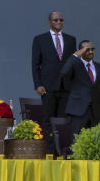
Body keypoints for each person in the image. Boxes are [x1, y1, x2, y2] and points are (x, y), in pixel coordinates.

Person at [32, 11, 76, 153]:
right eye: (56, 20)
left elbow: (73, 64)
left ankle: (63, 149)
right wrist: (38, 84)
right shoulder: (40, 39)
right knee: (48, 119)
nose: (59, 22)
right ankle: (51, 151)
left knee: (64, 120)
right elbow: (35, 64)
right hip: (47, 86)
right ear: (49, 22)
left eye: (61, 20)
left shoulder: (71, 39)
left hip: (66, 86)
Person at [60, 40, 100, 135]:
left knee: (95, 141)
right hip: (78, 110)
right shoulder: (75, 65)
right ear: (81, 51)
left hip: (96, 111)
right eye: (87, 50)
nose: (91, 52)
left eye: (92, 49)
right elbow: (64, 73)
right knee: (76, 141)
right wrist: (75, 55)